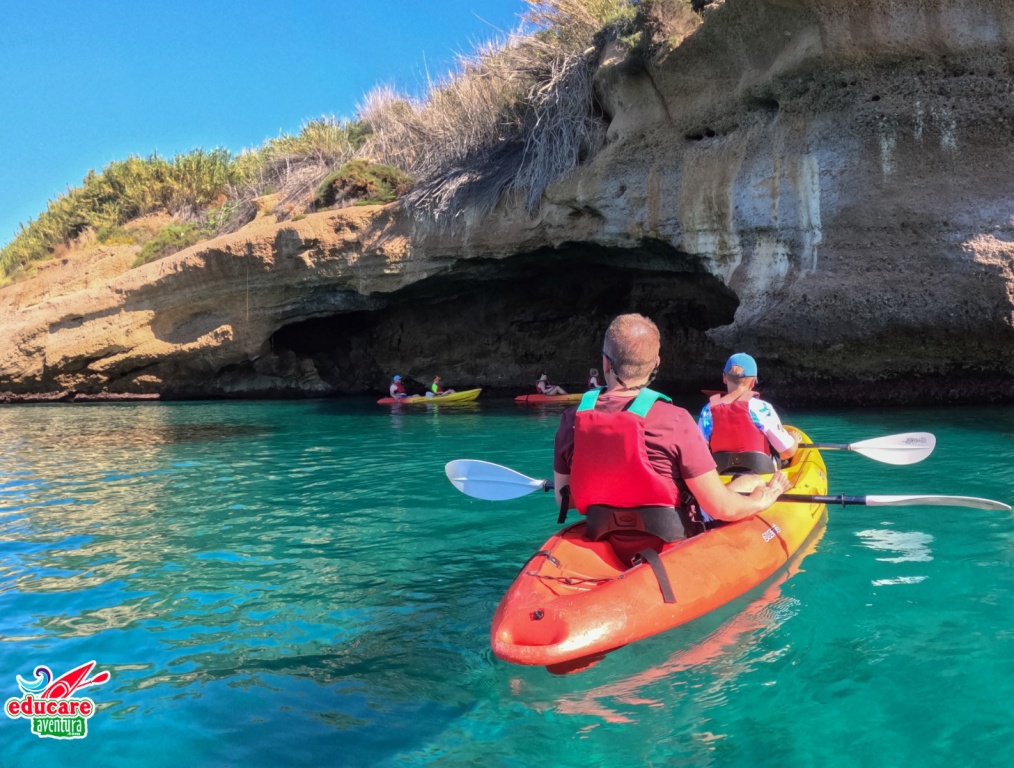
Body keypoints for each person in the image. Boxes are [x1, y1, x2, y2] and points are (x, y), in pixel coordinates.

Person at [553, 314, 789, 567]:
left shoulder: (571, 420)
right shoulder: (676, 420)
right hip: (671, 541)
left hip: (602, 533)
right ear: (656, 364)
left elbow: (567, 498)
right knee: (750, 481)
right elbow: (723, 509)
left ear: (606, 364)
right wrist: (762, 498)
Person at [697, 353, 798, 475]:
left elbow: (700, 453)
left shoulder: (707, 411)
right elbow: (787, 451)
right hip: (762, 479)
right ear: (753, 382)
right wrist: (794, 439)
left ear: (724, 377)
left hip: (721, 480)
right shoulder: (762, 408)